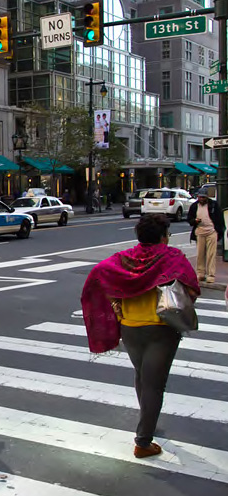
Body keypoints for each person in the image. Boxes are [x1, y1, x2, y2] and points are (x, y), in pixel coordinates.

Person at [81, 214, 199, 459]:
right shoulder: (171, 257)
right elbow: (190, 288)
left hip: (130, 327)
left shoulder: (124, 259)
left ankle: (148, 421)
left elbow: (100, 274)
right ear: (164, 236)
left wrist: (116, 305)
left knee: (142, 376)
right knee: (155, 385)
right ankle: (143, 442)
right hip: (161, 328)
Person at [188, 188, 224, 284]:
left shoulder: (213, 205)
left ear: (207, 197)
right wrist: (194, 221)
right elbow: (189, 219)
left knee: (211, 255)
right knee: (200, 254)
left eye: (203, 197)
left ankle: (211, 275)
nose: (201, 199)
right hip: (200, 232)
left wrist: (218, 231)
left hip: (211, 231)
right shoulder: (194, 206)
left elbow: (220, 219)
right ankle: (200, 273)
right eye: (200, 197)